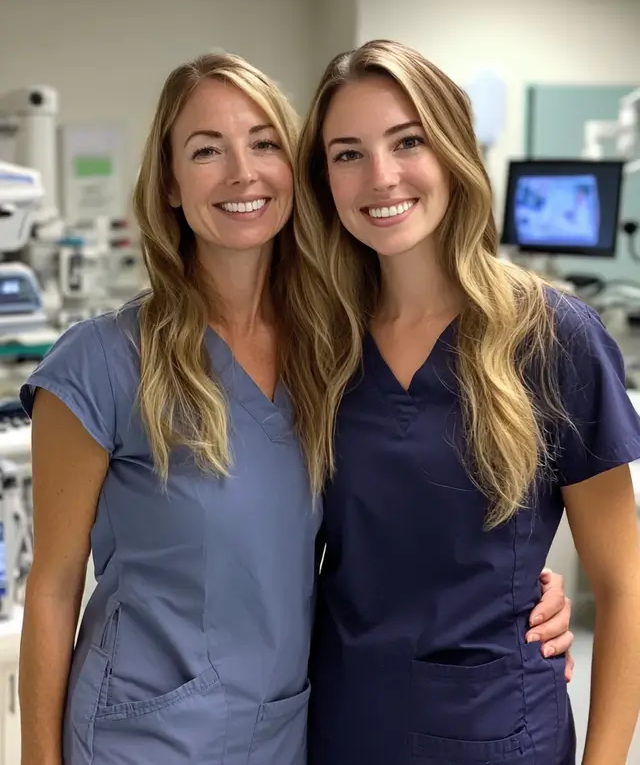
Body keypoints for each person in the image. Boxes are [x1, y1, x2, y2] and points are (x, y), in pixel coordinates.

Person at [18, 52, 572, 765]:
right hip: (141, 738)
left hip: (285, 733)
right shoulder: (100, 363)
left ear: (294, 173)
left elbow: (388, 514)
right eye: (205, 151)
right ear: (170, 187)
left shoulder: (331, 350)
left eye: (263, 144)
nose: (241, 172)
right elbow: (53, 586)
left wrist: (525, 585)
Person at [292, 40, 640, 765]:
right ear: (323, 180)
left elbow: (624, 584)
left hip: (494, 731)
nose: (380, 176)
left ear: (450, 150)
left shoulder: (550, 336)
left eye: (407, 141)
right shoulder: (321, 343)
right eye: (347, 153)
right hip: (339, 721)